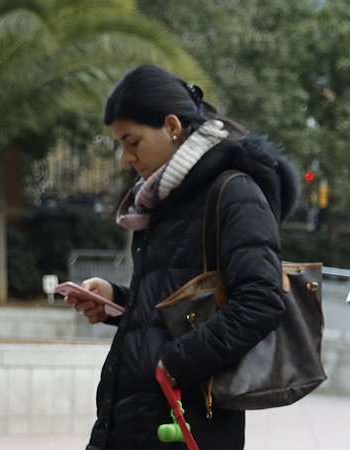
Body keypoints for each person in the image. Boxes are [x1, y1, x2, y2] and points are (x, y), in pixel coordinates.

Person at [65, 64, 299, 450]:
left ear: (172, 126)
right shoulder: (167, 198)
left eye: (132, 141)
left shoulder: (234, 192)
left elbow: (261, 303)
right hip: (131, 419)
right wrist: (116, 300)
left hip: (185, 421)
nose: (125, 157)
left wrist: (173, 362)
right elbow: (176, 302)